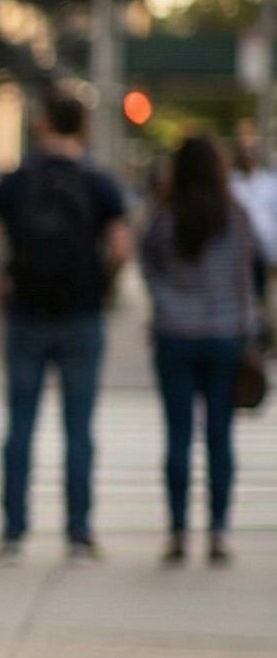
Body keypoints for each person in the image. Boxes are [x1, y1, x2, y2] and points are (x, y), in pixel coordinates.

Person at [0, 85, 130, 563]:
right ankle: (79, 532)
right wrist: (104, 284)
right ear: (82, 126)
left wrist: (0, 290)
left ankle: (13, 530)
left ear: (43, 123)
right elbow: (122, 245)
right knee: (79, 428)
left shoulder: (15, 180)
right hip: (81, 314)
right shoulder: (98, 182)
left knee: (20, 425)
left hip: (26, 313)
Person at [139, 136, 253, 567]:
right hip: (224, 335)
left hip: (175, 334)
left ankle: (178, 529)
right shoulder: (235, 217)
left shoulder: (165, 216)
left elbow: (146, 262)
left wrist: (164, 300)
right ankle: (219, 529)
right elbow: (245, 279)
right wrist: (247, 331)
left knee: (178, 436)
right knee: (220, 439)